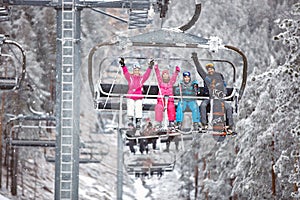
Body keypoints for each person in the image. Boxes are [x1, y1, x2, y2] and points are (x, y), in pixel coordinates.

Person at [196, 62, 234, 130]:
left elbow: (224, 90)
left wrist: (223, 95)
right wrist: (196, 61)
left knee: (228, 108)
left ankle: (229, 125)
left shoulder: (219, 80)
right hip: (209, 98)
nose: (210, 71)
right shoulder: (207, 78)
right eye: (209, 70)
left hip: (219, 99)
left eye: (211, 69)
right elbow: (200, 71)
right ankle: (204, 123)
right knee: (203, 105)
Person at [119, 58, 154, 129]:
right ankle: (130, 119)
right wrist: (123, 65)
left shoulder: (141, 78)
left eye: (138, 70)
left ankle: (138, 120)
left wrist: (150, 67)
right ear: (133, 71)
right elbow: (125, 73)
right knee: (130, 105)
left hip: (138, 96)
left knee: (138, 106)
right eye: (135, 70)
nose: (136, 72)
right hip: (131, 96)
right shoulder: (130, 78)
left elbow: (147, 74)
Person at [154, 64, 180, 129]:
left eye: (166, 74)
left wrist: (176, 72)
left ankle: (171, 122)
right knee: (158, 107)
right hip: (161, 100)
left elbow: (174, 77)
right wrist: (156, 69)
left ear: (168, 76)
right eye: (164, 75)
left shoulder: (171, 83)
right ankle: (159, 122)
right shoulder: (160, 82)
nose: (165, 76)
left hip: (169, 100)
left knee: (171, 107)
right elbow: (158, 76)